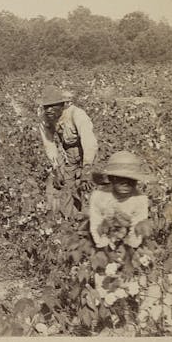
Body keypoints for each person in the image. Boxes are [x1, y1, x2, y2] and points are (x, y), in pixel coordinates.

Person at [38, 86, 98, 217]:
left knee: (88, 186)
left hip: (87, 152)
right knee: (66, 187)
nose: (48, 110)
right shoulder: (45, 119)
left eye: (52, 106)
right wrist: (56, 169)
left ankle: (91, 219)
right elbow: (49, 144)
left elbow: (89, 142)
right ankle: (70, 220)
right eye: (46, 107)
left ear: (62, 105)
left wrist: (87, 169)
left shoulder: (76, 114)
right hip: (69, 154)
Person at [89, 151, 155, 250]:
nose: (126, 183)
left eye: (132, 180)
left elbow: (136, 233)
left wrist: (127, 249)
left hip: (128, 246)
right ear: (111, 179)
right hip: (104, 243)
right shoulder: (99, 196)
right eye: (121, 179)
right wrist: (105, 246)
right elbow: (96, 224)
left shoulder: (139, 199)